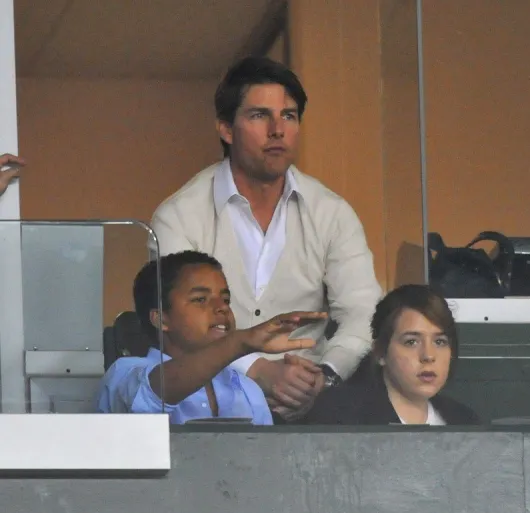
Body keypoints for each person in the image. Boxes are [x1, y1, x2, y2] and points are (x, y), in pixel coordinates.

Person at [150, 57, 382, 421]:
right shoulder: (179, 216)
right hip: (208, 406)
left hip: (314, 406)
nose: (278, 130)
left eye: (288, 116)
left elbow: (365, 312)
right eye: (259, 115)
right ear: (226, 129)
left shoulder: (332, 213)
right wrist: (258, 370)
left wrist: (326, 376)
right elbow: (182, 324)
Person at [96, 251, 325, 424]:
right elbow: (156, 391)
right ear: (160, 319)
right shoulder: (124, 374)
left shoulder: (246, 388)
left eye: (225, 300)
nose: (221, 308)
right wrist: (240, 342)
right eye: (200, 300)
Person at [306, 285, 480, 425]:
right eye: (411, 342)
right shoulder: (340, 417)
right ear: (381, 352)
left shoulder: (465, 422)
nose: (428, 356)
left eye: (440, 342)